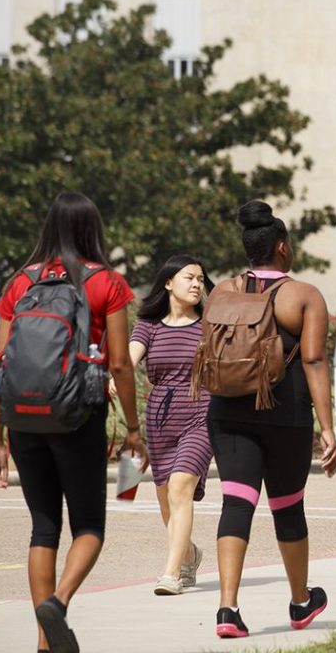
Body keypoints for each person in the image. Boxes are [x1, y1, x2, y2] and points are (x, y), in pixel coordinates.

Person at [0, 192, 148, 653]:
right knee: (88, 526)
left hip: (24, 420)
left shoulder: (20, 283)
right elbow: (120, 364)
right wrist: (133, 430)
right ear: (91, 229)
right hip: (78, 415)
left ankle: (44, 643)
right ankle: (57, 603)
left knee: (43, 528)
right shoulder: (106, 283)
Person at [207, 201, 336, 638]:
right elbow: (315, 360)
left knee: (236, 503)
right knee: (287, 506)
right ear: (281, 247)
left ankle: (228, 609)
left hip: (227, 412)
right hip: (285, 415)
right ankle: (301, 602)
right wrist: (327, 428)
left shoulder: (223, 290)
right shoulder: (303, 295)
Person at [129, 255, 215, 595]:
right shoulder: (148, 325)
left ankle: (171, 574)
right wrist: (113, 377)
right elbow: (130, 358)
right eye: (189, 277)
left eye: (200, 279)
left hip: (201, 411)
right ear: (168, 283)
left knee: (181, 489)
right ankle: (190, 555)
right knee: (166, 500)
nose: (197, 284)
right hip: (160, 417)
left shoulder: (209, 324)